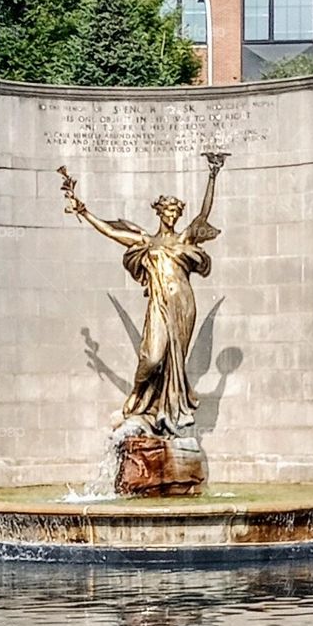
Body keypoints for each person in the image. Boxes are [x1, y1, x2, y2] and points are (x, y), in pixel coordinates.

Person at [60, 153, 227, 437]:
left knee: (175, 362)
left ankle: (166, 412)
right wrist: (84, 211)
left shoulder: (184, 238)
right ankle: (137, 397)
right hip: (159, 305)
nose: (173, 216)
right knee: (151, 358)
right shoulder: (147, 242)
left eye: (177, 212)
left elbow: (204, 214)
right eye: (169, 211)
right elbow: (113, 232)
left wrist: (212, 175)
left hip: (183, 305)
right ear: (160, 212)